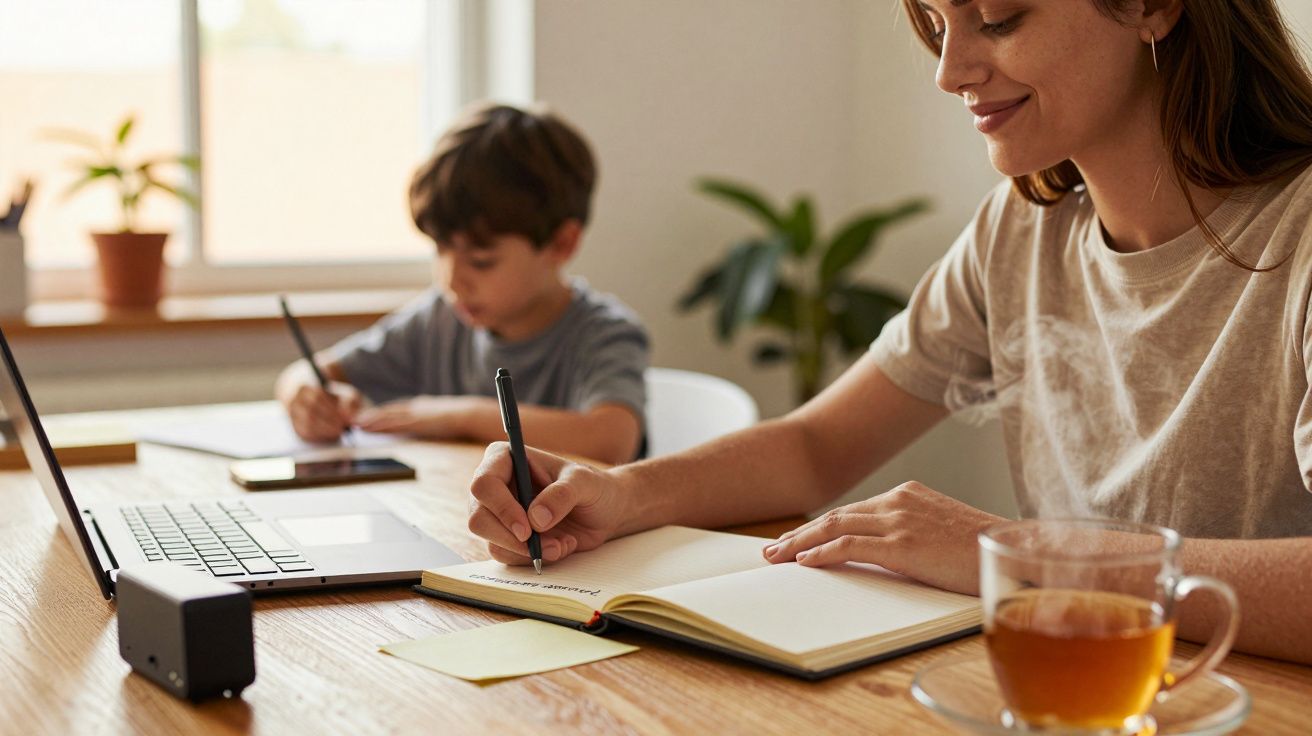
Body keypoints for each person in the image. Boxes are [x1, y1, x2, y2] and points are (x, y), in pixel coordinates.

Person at [466, 0, 1312, 664]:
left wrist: (1006, 553)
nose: (950, 71)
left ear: (1153, 5)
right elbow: (813, 448)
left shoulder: (1299, 233)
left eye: (1000, 19)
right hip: (1064, 687)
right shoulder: (1019, 233)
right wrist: (618, 493)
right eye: (938, 24)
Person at [276, 103, 649, 465]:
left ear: (561, 244)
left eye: (481, 261)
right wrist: (304, 395)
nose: (452, 280)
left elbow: (609, 442)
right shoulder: (439, 319)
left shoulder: (604, 335)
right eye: (441, 250)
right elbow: (311, 372)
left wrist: (460, 416)